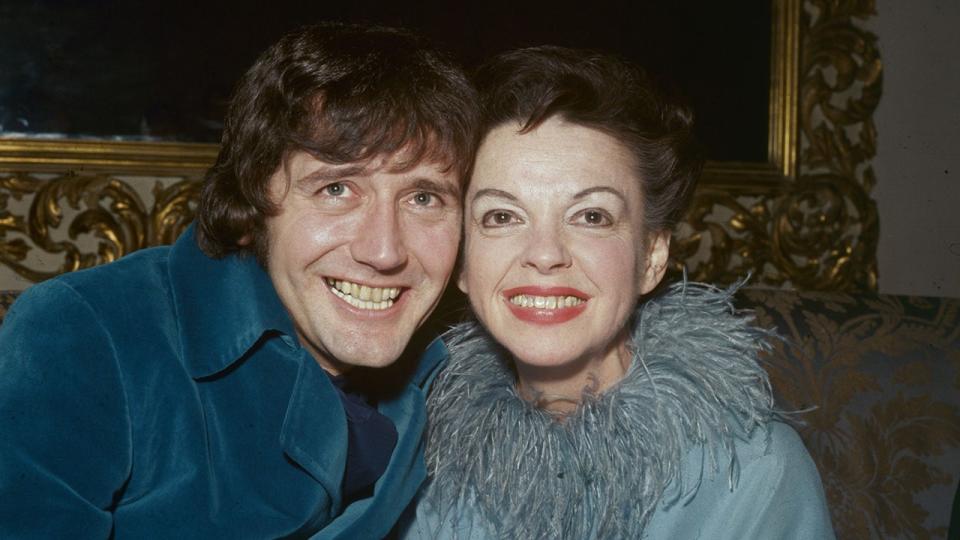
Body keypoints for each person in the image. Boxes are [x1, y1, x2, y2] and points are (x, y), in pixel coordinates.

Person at [0, 23, 477, 537]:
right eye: (337, 188)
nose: (384, 250)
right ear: (251, 205)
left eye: (424, 198)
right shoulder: (87, 333)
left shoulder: (467, 368)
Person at [399, 46, 835, 539]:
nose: (544, 254)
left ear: (651, 257)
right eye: (502, 216)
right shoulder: (415, 462)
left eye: (591, 216)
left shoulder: (755, 471)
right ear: (460, 259)